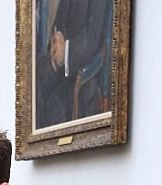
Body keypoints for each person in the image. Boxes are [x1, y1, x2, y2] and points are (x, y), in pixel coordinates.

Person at [35, 0, 112, 129]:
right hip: (61, 68)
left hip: (83, 72)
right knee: (38, 67)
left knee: (55, 109)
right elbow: (58, 26)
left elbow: (92, 39)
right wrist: (55, 45)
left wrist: (65, 52)